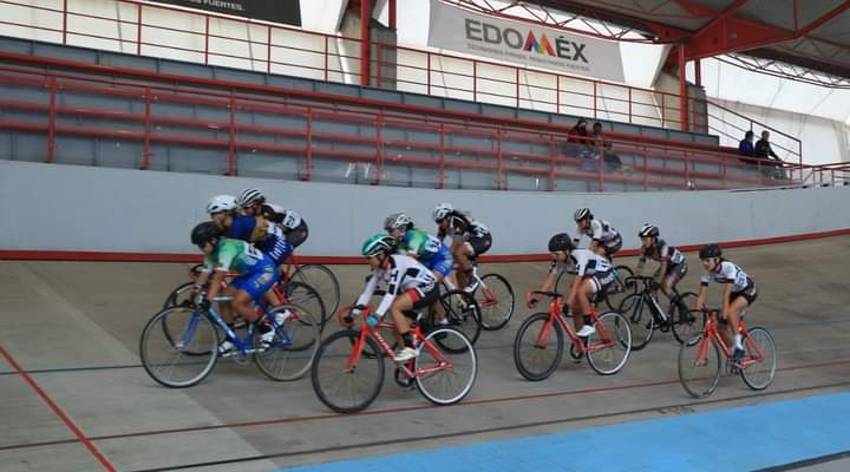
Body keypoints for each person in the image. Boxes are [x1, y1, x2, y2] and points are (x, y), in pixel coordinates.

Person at [190, 221, 283, 352]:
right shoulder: (211, 253)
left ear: (213, 240)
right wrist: (192, 294)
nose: (201, 248)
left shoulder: (227, 248)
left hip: (264, 270)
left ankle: (266, 330)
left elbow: (218, 278)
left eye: (202, 245)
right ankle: (230, 339)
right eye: (198, 246)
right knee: (224, 298)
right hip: (249, 273)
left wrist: (208, 300)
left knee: (237, 303)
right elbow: (204, 274)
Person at [353, 234, 439, 362]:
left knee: (395, 307)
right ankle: (409, 367)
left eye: (369, 258)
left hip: (428, 287)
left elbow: (390, 294)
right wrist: (354, 313)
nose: (367, 261)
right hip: (414, 290)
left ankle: (410, 347)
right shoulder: (381, 268)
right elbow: (367, 292)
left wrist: (377, 315)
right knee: (397, 329)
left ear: (381, 255)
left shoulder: (396, 266)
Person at [528, 233, 615, 338]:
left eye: (556, 254)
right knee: (576, 309)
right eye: (552, 253)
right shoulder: (559, 260)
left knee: (580, 291)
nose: (553, 256)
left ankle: (588, 324)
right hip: (590, 274)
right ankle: (581, 341)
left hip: (605, 272)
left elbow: (576, 284)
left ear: (567, 251)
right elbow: (549, 281)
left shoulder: (580, 257)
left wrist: (568, 302)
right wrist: (537, 298)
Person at [694, 244, 757, 363]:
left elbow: (726, 294)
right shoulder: (707, 274)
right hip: (736, 293)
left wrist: (724, 310)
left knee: (730, 312)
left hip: (748, 289)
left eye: (708, 260)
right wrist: (694, 314)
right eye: (703, 261)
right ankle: (734, 353)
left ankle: (739, 346)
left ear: (717, 260)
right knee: (720, 327)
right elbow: (701, 296)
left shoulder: (728, 267)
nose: (705, 264)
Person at [433, 203, 491, 292]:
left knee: (458, 252)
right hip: (470, 242)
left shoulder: (457, 221)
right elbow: (436, 245)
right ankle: (467, 301)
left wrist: (445, 259)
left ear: (448, 217)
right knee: (459, 274)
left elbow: (455, 244)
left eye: (440, 221)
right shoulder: (442, 228)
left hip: (482, 238)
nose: (439, 224)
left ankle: (473, 280)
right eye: (437, 222)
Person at [635, 224, 688, 308]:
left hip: (678, 264)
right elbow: (640, 264)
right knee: (652, 286)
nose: (643, 242)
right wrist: (635, 276)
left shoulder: (662, 246)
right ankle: (656, 311)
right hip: (668, 264)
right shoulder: (644, 248)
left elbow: (663, 267)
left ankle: (683, 309)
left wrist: (659, 281)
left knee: (665, 286)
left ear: (653, 239)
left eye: (645, 239)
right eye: (642, 240)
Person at [236, 188, 309, 249]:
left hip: (298, 230)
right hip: (284, 228)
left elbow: (272, 235)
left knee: (278, 250)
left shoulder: (268, 212)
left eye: (246, 208)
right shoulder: (255, 213)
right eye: (242, 208)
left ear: (256, 205)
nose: (243, 211)